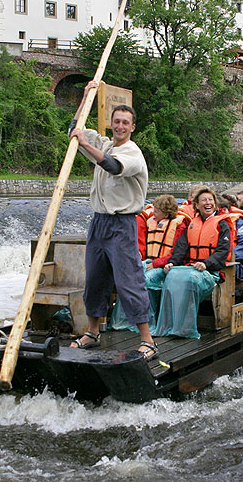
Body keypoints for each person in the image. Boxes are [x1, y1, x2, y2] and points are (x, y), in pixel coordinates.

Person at [68, 80, 157, 360]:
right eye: (116, 121)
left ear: (132, 127)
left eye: (125, 123)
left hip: (122, 225)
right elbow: (75, 129)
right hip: (99, 222)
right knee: (95, 278)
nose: (119, 126)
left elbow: (112, 165)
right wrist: (85, 97)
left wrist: (85, 144)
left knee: (128, 279)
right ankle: (93, 331)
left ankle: (147, 339)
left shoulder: (133, 152)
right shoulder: (104, 142)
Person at [151, 187, 232, 339]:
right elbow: (180, 250)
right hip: (190, 268)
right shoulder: (191, 225)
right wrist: (171, 263)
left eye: (210, 200)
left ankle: (185, 328)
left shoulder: (223, 225)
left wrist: (206, 263)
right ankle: (170, 325)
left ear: (215, 203)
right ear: (196, 205)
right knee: (171, 276)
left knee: (189, 280)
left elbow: (222, 252)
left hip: (210, 272)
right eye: (204, 200)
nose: (208, 203)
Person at [111, 195, 189, 332]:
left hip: (168, 266)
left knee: (145, 280)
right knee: (130, 277)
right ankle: (127, 319)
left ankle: (148, 321)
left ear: (166, 213)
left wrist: (156, 264)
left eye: (157, 211)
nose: (153, 213)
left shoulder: (179, 226)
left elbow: (177, 254)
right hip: (151, 262)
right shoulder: (151, 222)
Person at [218, 196, 243, 280]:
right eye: (219, 210)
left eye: (224, 209)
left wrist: (226, 257)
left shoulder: (239, 221)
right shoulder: (211, 222)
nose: (222, 212)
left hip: (238, 263)